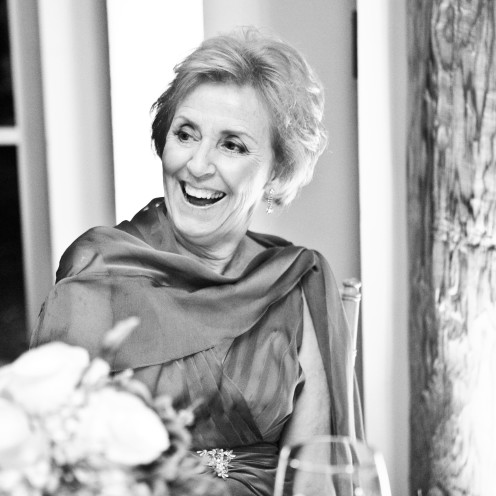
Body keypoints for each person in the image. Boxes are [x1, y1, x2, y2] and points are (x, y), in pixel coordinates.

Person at [31, 28, 363, 496]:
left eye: (232, 145)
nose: (198, 165)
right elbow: (54, 471)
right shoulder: (100, 273)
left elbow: (315, 479)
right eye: (186, 134)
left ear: (277, 171)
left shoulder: (295, 280)